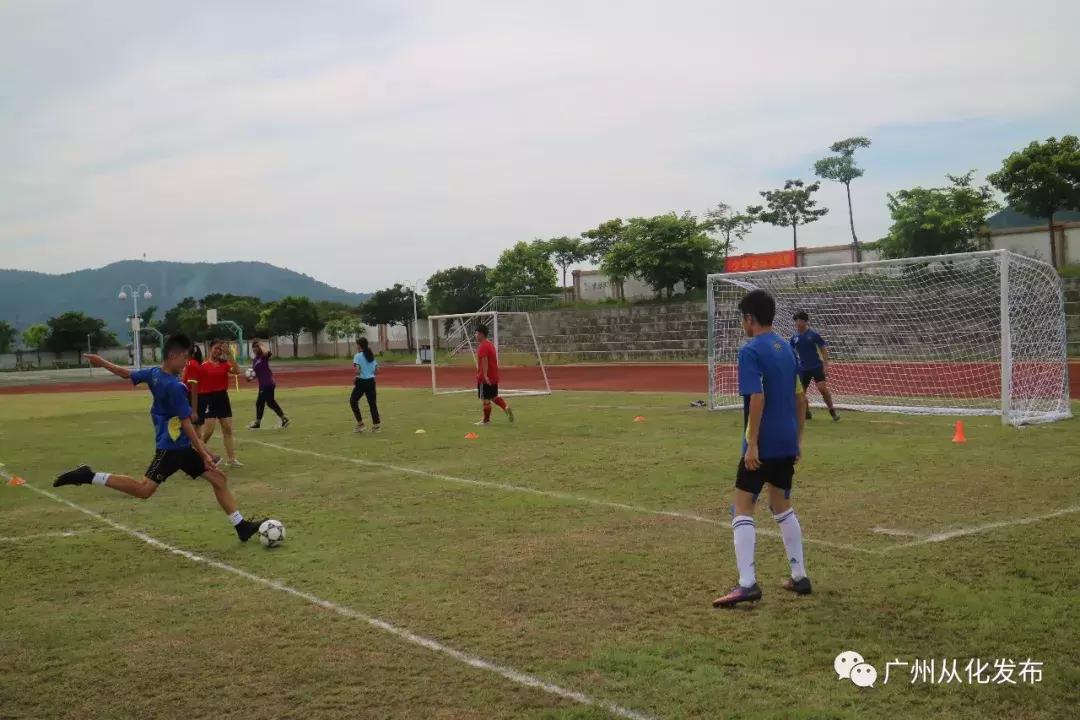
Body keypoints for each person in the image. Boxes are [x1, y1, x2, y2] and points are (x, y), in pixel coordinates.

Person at [52, 334, 267, 542]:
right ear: (173, 355)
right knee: (143, 489)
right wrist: (204, 454)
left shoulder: (154, 373)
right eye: (185, 357)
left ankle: (241, 526)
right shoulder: (175, 386)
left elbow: (125, 373)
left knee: (219, 480)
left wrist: (101, 362)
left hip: (181, 447)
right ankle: (89, 476)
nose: (186, 363)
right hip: (171, 449)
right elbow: (186, 424)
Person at [713, 289, 810, 608]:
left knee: (742, 508)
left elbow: (757, 397)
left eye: (742, 319)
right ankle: (799, 576)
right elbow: (801, 398)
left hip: (762, 443)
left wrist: (752, 443)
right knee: (782, 506)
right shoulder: (788, 348)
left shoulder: (750, 350)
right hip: (786, 442)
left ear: (749, 318)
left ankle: (747, 584)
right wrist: (797, 440)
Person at [790, 311, 839, 421]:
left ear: (805, 322)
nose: (797, 323)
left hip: (816, 366)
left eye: (800, 320)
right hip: (803, 368)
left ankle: (832, 411)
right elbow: (790, 351)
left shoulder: (813, 335)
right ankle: (806, 412)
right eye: (796, 321)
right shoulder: (794, 337)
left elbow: (823, 349)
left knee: (822, 389)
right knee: (800, 393)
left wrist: (825, 365)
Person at [200, 341, 242, 466]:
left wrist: (229, 355)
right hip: (209, 399)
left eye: (220, 349)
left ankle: (231, 459)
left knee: (227, 429)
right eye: (215, 348)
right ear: (210, 349)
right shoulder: (203, 366)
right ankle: (198, 453)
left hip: (223, 398)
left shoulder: (224, 364)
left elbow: (237, 371)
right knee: (208, 432)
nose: (218, 351)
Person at [474, 324, 513, 426]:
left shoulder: (483, 346)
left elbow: (485, 360)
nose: (475, 335)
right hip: (494, 376)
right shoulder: (490, 344)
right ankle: (505, 407)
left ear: (481, 334)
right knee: (493, 396)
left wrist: (485, 375)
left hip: (485, 378)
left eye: (476, 333)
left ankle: (486, 420)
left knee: (485, 399)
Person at [247, 341, 289, 430]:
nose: (255, 349)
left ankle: (258, 422)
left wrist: (261, 345)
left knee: (262, 402)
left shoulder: (263, 357)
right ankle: (283, 419)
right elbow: (256, 373)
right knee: (268, 402)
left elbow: (268, 352)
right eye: (253, 347)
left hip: (268, 383)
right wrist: (250, 378)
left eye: (256, 347)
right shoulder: (255, 360)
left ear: (260, 348)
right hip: (262, 385)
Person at [350, 337, 381, 433]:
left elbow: (357, 370)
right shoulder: (370, 355)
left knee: (353, 401)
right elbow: (377, 370)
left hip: (361, 382)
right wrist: (369, 373)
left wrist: (356, 377)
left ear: (359, 345)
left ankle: (360, 424)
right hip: (371, 381)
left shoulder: (357, 356)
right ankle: (376, 426)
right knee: (372, 404)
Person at [181, 344, 203, 425]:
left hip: (191, 399)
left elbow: (194, 388)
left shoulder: (192, 364)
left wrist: (194, 411)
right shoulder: (191, 364)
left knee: (193, 429)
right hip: (191, 398)